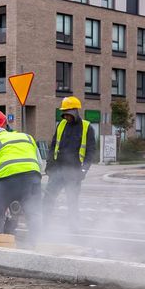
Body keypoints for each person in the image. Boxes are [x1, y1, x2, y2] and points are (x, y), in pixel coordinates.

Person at [0, 110, 43, 238]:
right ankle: (38, 245)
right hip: (32, 179)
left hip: (7, 181)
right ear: (5, 124)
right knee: (34, 215)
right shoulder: (27, 137)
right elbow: (39, 164)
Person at [43, 96, 95, 229]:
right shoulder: (61, 125)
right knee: (48, 197)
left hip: (74, 172)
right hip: (58, 170)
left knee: (72, 201)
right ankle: (44, 224)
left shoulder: (86, 127)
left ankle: (74, 227)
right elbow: (53, 146)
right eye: (64, 114)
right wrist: (49, 165)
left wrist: (84, 170)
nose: (66, 117)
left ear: (75, 111)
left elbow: (90, 151)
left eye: (68, 114)